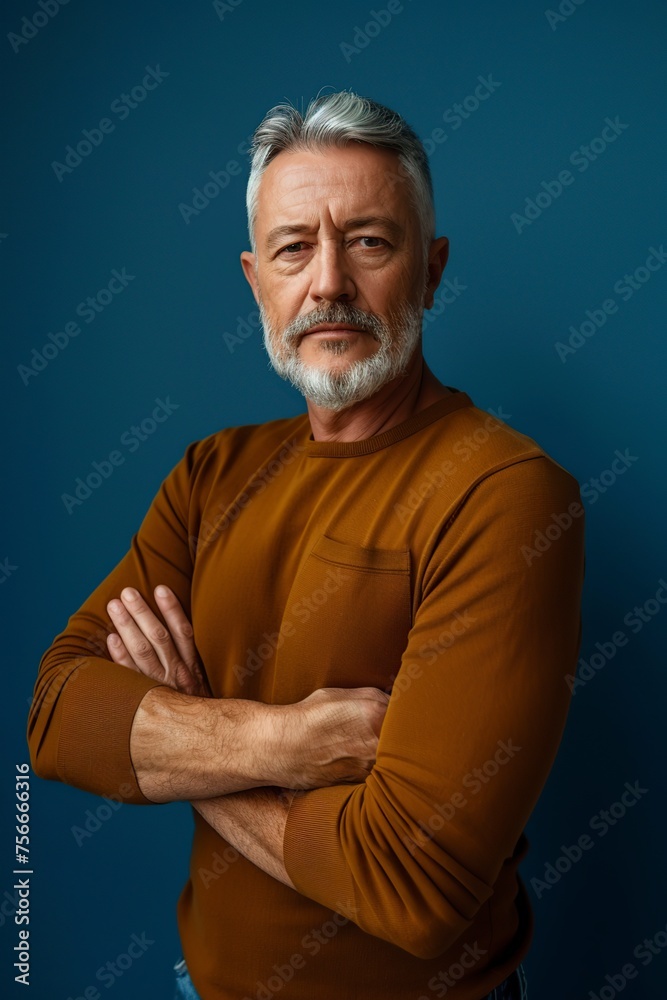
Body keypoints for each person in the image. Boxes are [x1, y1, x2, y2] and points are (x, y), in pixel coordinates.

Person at [28, 91, 585, 1000]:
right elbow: (56, 715)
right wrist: (281, 741)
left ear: (432, 269)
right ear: (256, 280)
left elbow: (411, 889)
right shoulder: (212, 473)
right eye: (294, 248)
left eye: (368, 241)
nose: (327, 281)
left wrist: (183, 736)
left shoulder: (505, 494)